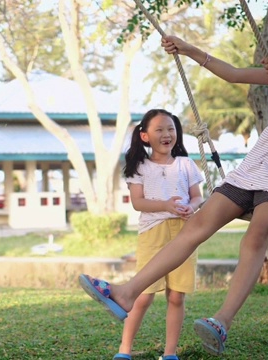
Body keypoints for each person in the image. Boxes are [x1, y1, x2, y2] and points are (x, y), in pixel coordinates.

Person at [79, 11, 268, 357]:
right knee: (195, 226)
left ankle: (222, 322)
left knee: (257, 233)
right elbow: (234, 74)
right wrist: (188, 49)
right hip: (258, 164)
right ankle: (126, 292)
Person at [80, 109, 203, 360]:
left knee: (177, 296)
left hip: (184, 233)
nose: (167, 134)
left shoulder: (186, 164)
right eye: (159, 130)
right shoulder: (139, 167)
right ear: (145, 136)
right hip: (152, 234)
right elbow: (138, 203)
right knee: (143, 295)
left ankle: (170, 353)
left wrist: (191, 206)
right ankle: (124, 350)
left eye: (171, 128)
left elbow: (198, 196)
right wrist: (166, 205)